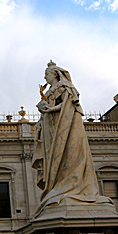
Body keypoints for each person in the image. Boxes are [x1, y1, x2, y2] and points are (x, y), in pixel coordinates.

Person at [31, 61, 111, 214]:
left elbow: (69, 105)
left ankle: (71, 186)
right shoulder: (49, 91)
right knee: (55, 159)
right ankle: (58, 187)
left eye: (46, 74)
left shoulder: (65, 87)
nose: (44, 77)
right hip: (52, 128)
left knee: (69, 154)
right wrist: (43, 108)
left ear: (54, 74)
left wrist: (51, 108)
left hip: (65, 125)